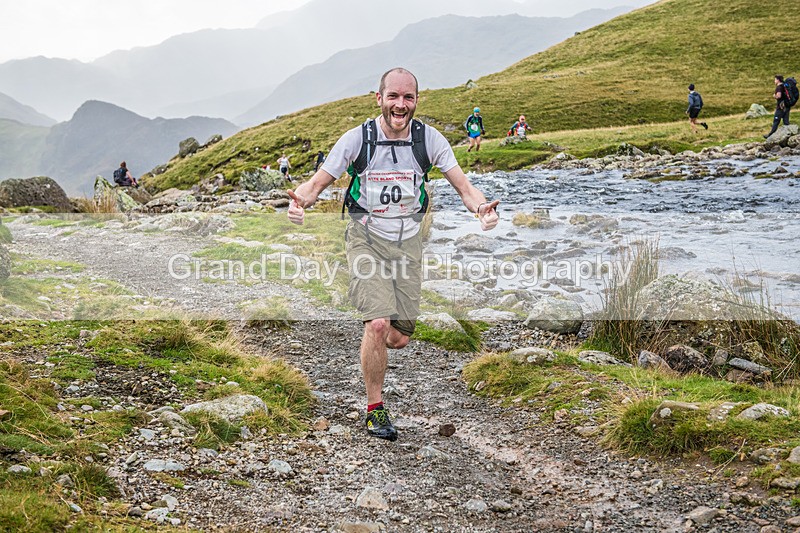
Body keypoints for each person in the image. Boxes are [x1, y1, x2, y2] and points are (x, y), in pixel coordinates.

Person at [286, 68, 500, 442]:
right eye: (393, 97)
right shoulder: (358, 139)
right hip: (366, 238)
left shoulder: (429, 140)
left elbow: (465, 188)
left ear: (416, 100)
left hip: (409, 242)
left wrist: (482, 209)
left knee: (398, 337)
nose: (400, 105)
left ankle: (375, 333)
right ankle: (375, 408)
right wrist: (300, 201)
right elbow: (317, 183)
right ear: (379, 99)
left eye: (408, 97)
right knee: (379, 324)